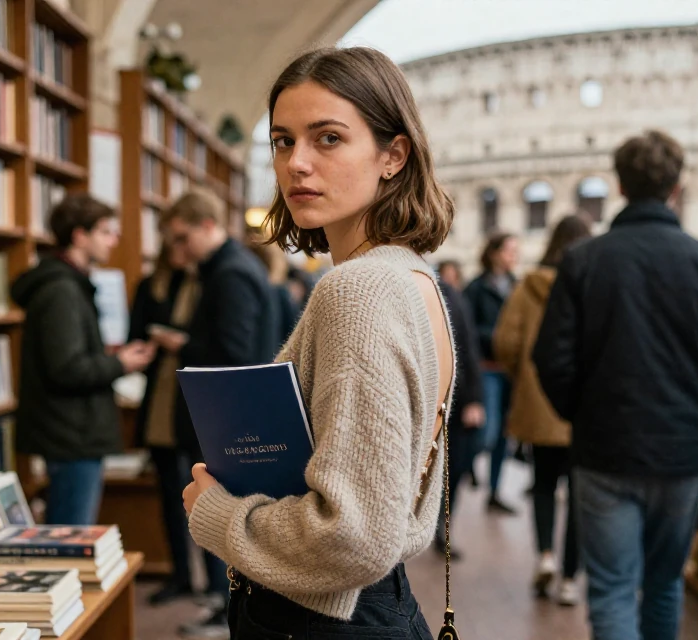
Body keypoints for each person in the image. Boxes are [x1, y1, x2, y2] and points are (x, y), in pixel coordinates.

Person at [180, 46, 456, 639]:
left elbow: (354, 536)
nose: (297, 163)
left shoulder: (358, 291)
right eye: (283, 141)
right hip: (375, 609)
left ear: (392, 155)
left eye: (327, 139)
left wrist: (218, 516)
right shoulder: (410, 277)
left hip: (321, 619)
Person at [531, 130, 698, 640]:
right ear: (677, 187)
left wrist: (582, 414)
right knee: (664, 584)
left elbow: (551, 358)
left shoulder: (583, 262)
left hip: (604, 450)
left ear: (620, 186)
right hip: (682, 453)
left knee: (609, 588)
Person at [154, 189, 276, 637]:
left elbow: (235, 352)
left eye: (182, 239)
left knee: (219, 512)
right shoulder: (221, 270)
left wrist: (181, 344)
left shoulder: (230, 274)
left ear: (208, 225)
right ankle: (220, 604)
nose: (177, 251)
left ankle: (225, 608)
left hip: (226, 416)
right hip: (224, 414)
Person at [11, 194, 156, 526]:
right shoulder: (61, 291)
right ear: (79, 236)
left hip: (71, 431)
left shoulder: (68, 285)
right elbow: (67, 368)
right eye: (105, 231)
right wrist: (120, 364)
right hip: (71, 435)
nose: (113, 239)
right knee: (72, 535)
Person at [494, 213, 592, 606]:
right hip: (583, 409)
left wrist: (526, 378)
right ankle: (570, 579)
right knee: (580, 494)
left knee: (544, 486)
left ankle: (545, 557)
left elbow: (506, 341)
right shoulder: (593, 285)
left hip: (540, 404)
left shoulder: (528, 285)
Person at [128, 242, 202, 607]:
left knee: (207, 492)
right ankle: (180, 575)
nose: (179, 249)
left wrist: (182, 343)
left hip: (195, 400)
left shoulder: (206, 284)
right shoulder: (150, 285)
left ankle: (215, 586)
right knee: (169, 494)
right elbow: (134, 334)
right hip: (159, 397)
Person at [462, 232, 521, 513]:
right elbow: (467, 331)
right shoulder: (476, 287)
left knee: (503, 437)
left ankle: (494, 492)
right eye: (510, 250)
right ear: (495, 252)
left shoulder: (516, 286)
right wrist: (499, 337)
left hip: (511, 371)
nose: (514, 256)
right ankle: (457, 480)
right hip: (487, 370)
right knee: (486, 434)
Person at [434, 277, 484, 561]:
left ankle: (442, 525)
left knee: (455, 466)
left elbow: (468, 347)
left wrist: (474, 398)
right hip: (425, 402)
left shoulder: (450, 295)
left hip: (454, 397)